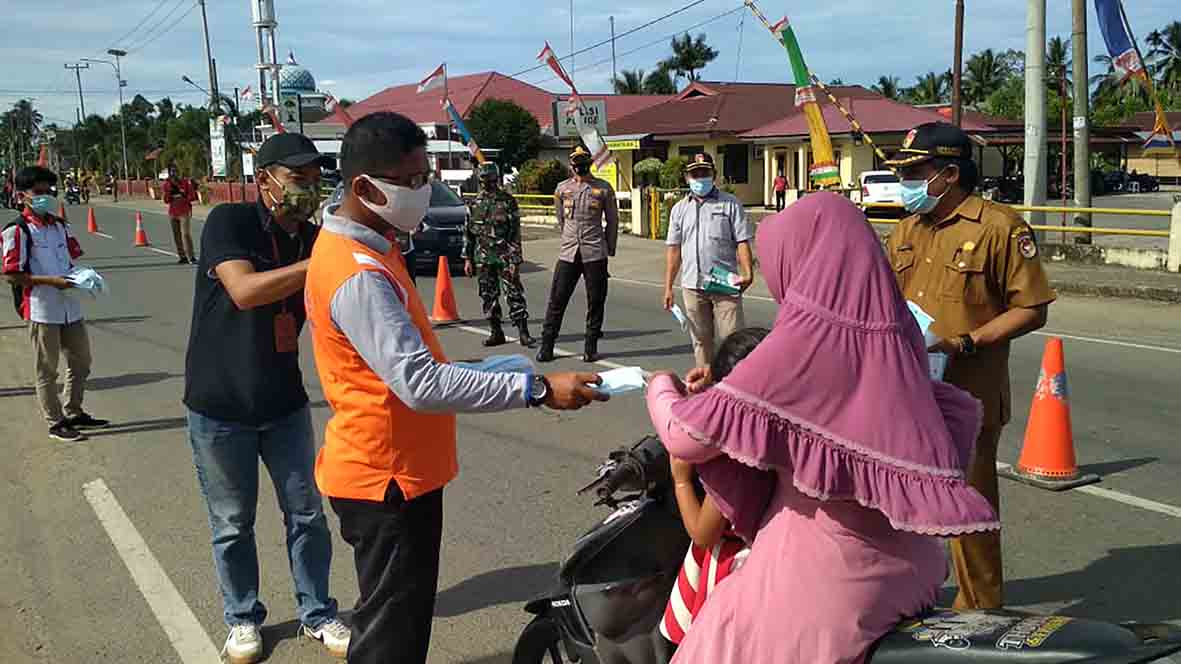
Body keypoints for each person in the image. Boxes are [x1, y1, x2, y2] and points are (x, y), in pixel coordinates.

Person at [306, 111, 609, 664]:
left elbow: (419, 366)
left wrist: (519, 374)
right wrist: (536, 390)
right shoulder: (358, 272)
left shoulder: (375, 246)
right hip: (386, 480)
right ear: (364, 187)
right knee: (389, 640)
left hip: (395, 471)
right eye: (413, 181)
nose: (424, 191)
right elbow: (420, 383)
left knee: (397, 624)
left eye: (427, 177)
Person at [645, 192, 998, 664]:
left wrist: (661, 386)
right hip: (913, 572)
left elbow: (684, 435)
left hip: (818, 580)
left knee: (714, 640)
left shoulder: (801, 347)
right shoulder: (902, 339)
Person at [183, 133, 350, 664]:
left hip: (283, 403)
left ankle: (318, 612)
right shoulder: (229, 223)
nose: (308, 187)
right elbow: (246, 290)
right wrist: (323, 262)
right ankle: (241, 619)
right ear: (267, 181)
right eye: (297, 177)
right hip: (219, 405)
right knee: (232, 523)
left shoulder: (315, 238)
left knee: (307, 514)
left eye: (315, 177)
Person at [883, 122, 1055, 610]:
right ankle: (908, 593)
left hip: (970, 392)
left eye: (915, 171)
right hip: (911, 392)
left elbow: (1031, 308)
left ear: (950, 174)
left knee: (970, 508)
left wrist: (967, 342)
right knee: (905, 504)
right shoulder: (905, 230)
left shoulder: (1001, 228)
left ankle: (980, 607)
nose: (906, 183)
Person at [660, 327, 768, 647]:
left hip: (735, 563)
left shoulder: (736, 459)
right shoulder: (785, 428)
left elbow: (703, 533)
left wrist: (680, 479)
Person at [2, 166, 108, 442]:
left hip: (69, 305)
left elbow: (70, 260)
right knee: (47, 369)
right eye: (38, 192)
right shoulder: (17, 231)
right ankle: (55, 421)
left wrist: (85, 277)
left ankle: (74, 411)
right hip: (41, 307)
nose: (45, 197)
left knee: (81, 360)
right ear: (22, 195)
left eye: (49, 191)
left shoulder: (60, 226)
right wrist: (52, 281)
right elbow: (12, 275)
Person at [663, 153, 754, 369]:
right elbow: (674, 250)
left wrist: (748, 272)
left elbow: (742, 241)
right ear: (687, 178)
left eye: (705, 172)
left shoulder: (730, 204)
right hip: (692, 285)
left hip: (724, 283)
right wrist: (668, 287)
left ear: (714, 175)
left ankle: (734, 389)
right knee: (701, 341)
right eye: (695, 174)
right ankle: (705, 388)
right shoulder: (679, 209)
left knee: (733, 341)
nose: (700, 178)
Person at [537, 145, 619, 363]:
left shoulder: (603, 189)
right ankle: (547, 345)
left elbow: (612, 221)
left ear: (589, 164)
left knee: (596, 301)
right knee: (557, 300)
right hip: (569, 253)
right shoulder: (562, 189)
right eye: (577, 165)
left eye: (584, 164)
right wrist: (568, 238)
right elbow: (561, 219)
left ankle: (590, 348)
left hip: (594, 252)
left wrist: (609, 247)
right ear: (571, 166)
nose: (580, 168)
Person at [464, 161, 535, 348]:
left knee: (514, 294)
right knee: (488, 295)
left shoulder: (508, 201)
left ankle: (523, 333)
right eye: (485, 181)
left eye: (493, 180)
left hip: (505, 257)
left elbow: (515, 233)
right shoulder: (474, 204)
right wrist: (468, 259)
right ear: (480, 181)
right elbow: (469, 234)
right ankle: (496, 333)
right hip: (484, 258)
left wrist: (515, 260)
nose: (489, 184)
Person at [162, 163, 198, 264]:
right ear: (169, 173)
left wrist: (182, 194)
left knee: (186, 234)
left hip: (184, 211)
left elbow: (192, 196)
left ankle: (191, 256)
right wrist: (169, 192)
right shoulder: (167, 184)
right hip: (173, 212)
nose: (173, 173)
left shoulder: (185, 183)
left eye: (175, 171)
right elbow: (166, 200)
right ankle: (182, 256)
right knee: (176, 235)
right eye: (171, 171)